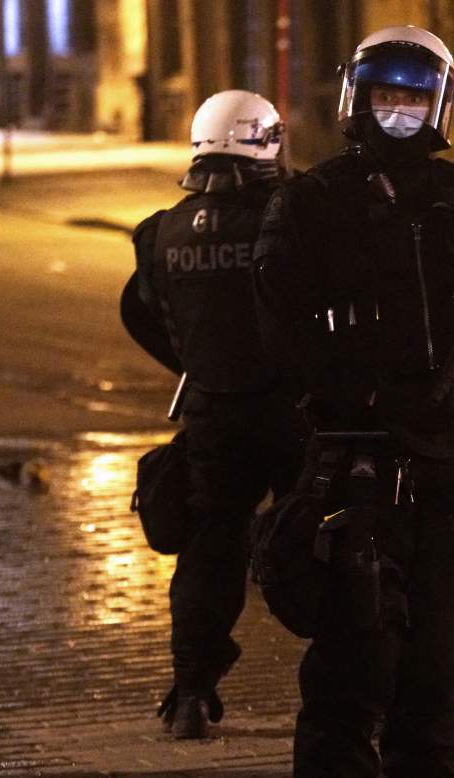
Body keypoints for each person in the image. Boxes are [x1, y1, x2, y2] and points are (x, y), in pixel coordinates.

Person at [252, 25, 454, 776]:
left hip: (453, 482)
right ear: (357, 99)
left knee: (434, 685)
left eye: (412, 97)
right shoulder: (308, 204)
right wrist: (366, 393)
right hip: (356, 476)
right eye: (385, 95)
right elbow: (277, 329)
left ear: (440, 106)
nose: (398, 110)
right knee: (349, 680)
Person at [128, 90, 307, 738]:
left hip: (213, 414)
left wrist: (197, 366)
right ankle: (343, 689)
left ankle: (191, 692)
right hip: (295, 412)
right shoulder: (293, 218)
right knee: (325, 541)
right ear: (266, 142)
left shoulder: (163, 231)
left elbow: (148, 315)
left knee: (209, 550)